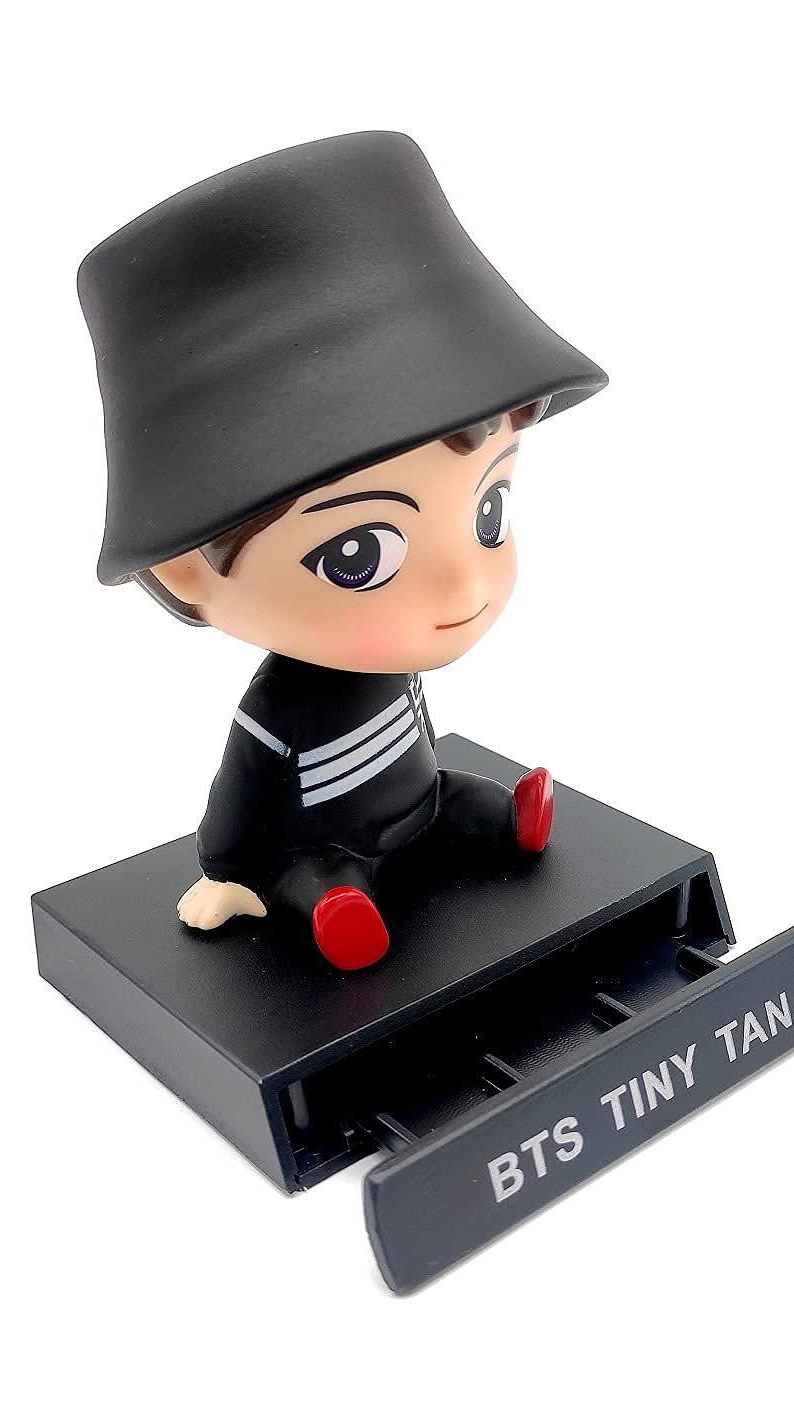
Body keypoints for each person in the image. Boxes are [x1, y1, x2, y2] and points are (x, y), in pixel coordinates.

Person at [78, 132, 607, 969]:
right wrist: (226, 871)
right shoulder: (279, 714)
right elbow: (242, 799)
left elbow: (411, 733)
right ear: (185, 569)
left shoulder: (394, 663)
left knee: (459, 800)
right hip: (323, 842)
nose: (463, 584)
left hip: (418, 801)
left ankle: (507, 818)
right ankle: (336, 910)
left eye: (489, 509)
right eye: (357, 554)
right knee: (317, 875)